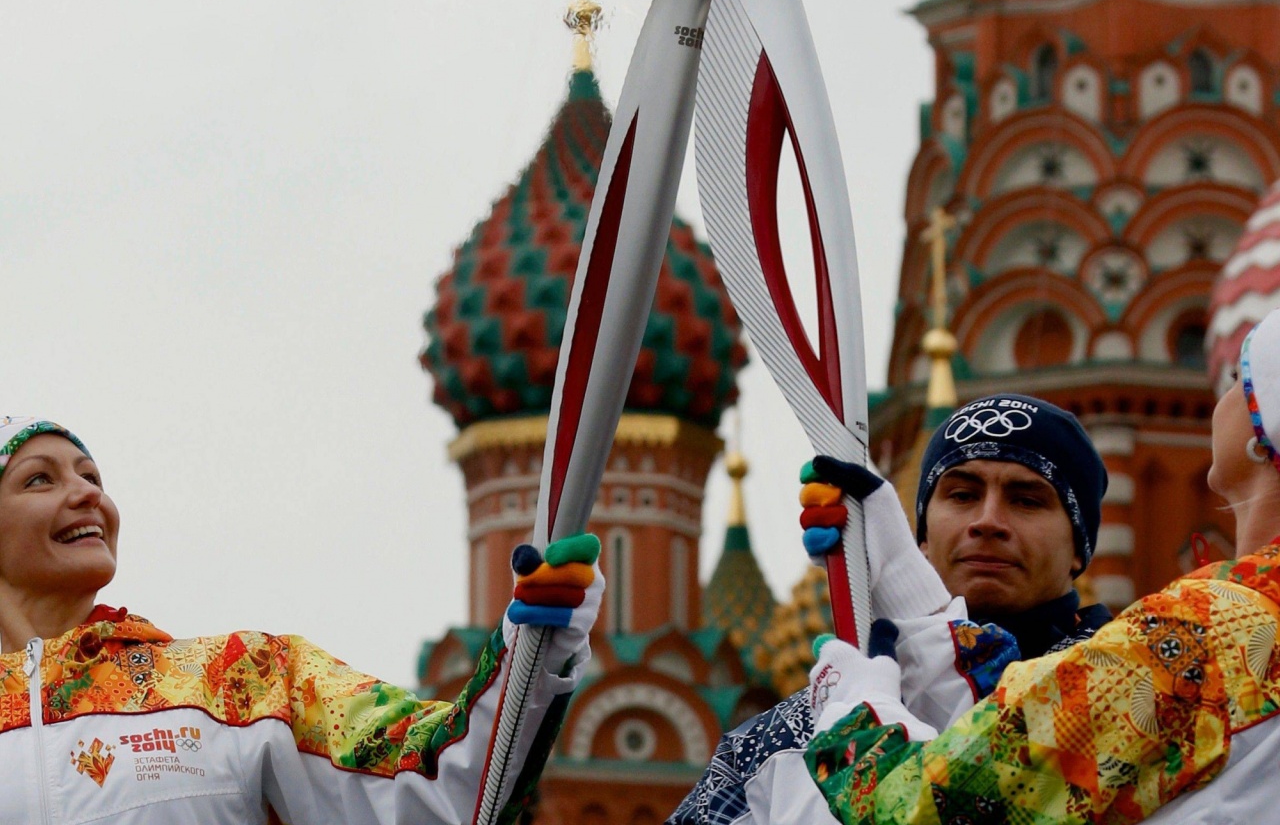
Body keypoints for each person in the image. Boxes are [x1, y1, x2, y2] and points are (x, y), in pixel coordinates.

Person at [0, 416, 603, 825]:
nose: (86, 494)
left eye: (91, 476)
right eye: (39, 479)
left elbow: (449, 788)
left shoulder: (239, 681)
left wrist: (535, 646)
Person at [806, 308, 1280, 824]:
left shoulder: (1216, 633)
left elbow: (927, 806)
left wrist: (851, 706)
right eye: (960, 495)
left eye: (1238, 379)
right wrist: (911, 593)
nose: (987, 523)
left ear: (1264, 431)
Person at [668, 394, 1110, 825]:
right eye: (961, 495)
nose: (988, 521)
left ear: (1078, 547)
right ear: (921, 534)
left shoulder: (1124, 694)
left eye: (1027, 500)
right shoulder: (785, 738)